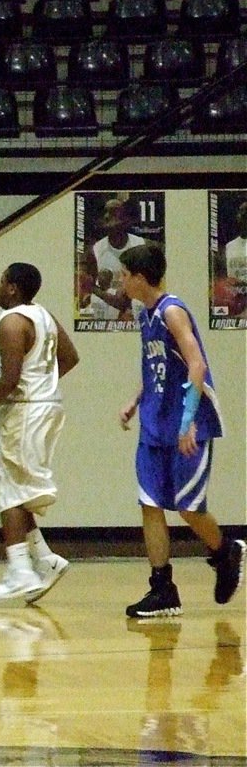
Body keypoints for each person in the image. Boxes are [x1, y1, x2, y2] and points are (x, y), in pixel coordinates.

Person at [116, 243, 244, 617]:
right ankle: (162, 588)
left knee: (189, 508)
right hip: (155, 422)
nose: (121, 281)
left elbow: (196, 365)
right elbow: (156, 366)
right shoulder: (145, 316)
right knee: (150, 504)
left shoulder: (172, 311)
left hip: (188, 423)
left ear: (140, 278)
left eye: (125, 275)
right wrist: (135, 399)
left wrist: (187, 421)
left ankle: (225, 551)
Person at [0, 263, 79, 604]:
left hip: (25, 409)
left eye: (0, 281)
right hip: (43, 406)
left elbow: (9, 380)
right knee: (12, 486)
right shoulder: (43, 315)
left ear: (12, 288)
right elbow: (69, 358)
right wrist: (44, 385)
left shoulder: (11, 323)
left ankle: (19, 571)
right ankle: (44, 559)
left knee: (10, 491)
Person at [86, 197, 146, 321]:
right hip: (108, 304)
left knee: (137, 303)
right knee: (97, 301)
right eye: (105, 212)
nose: (107, 216)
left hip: (134, 302)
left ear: (126, 219)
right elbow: (90, 286)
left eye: (113, 211)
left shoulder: (139, 244)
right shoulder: (96, 249)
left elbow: (142, 284)